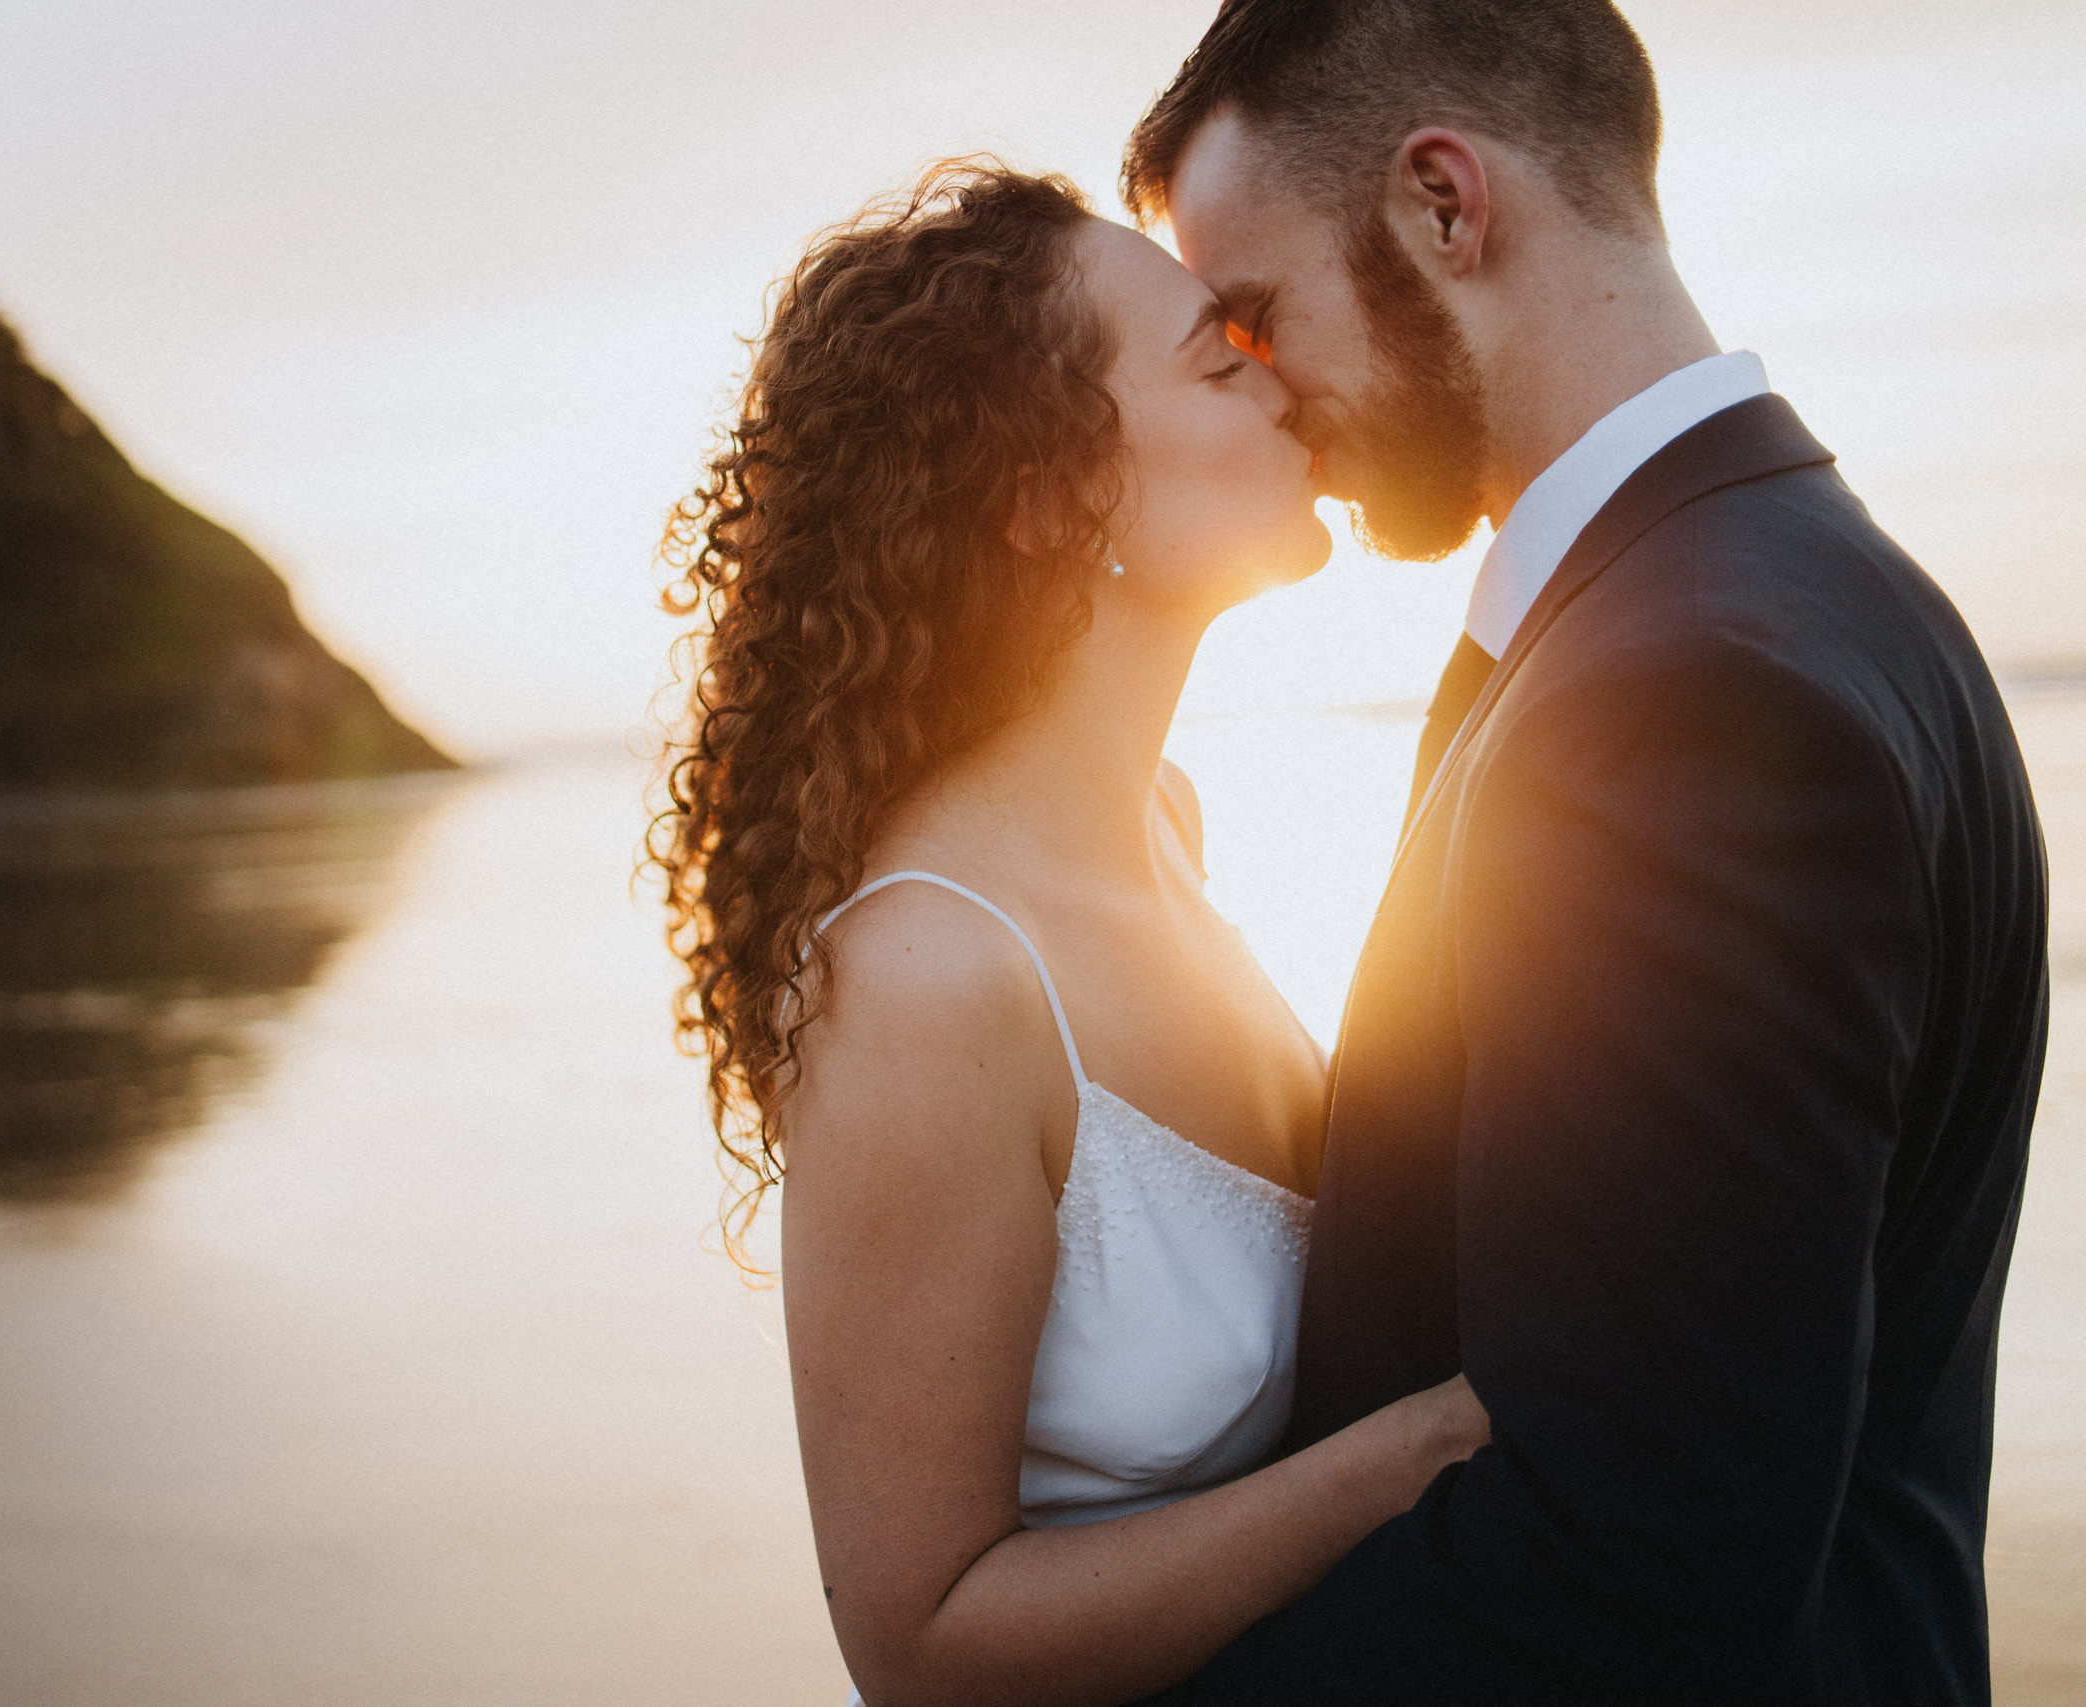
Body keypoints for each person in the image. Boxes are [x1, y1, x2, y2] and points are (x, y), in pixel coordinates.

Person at [1115, 2, 2048, 1703]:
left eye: (1257, 312)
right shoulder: (1798, 590)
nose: (1262, 382)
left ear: (1446, 206)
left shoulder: (1679, 699)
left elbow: (1627, 1561)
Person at [650, 163, 1490, 1706]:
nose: (1283, 376)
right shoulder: (927, 980)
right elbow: (920, 1642)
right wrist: (1405, 1462)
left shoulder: (1166, 821)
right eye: (1217, 353)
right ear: (1051, 497)